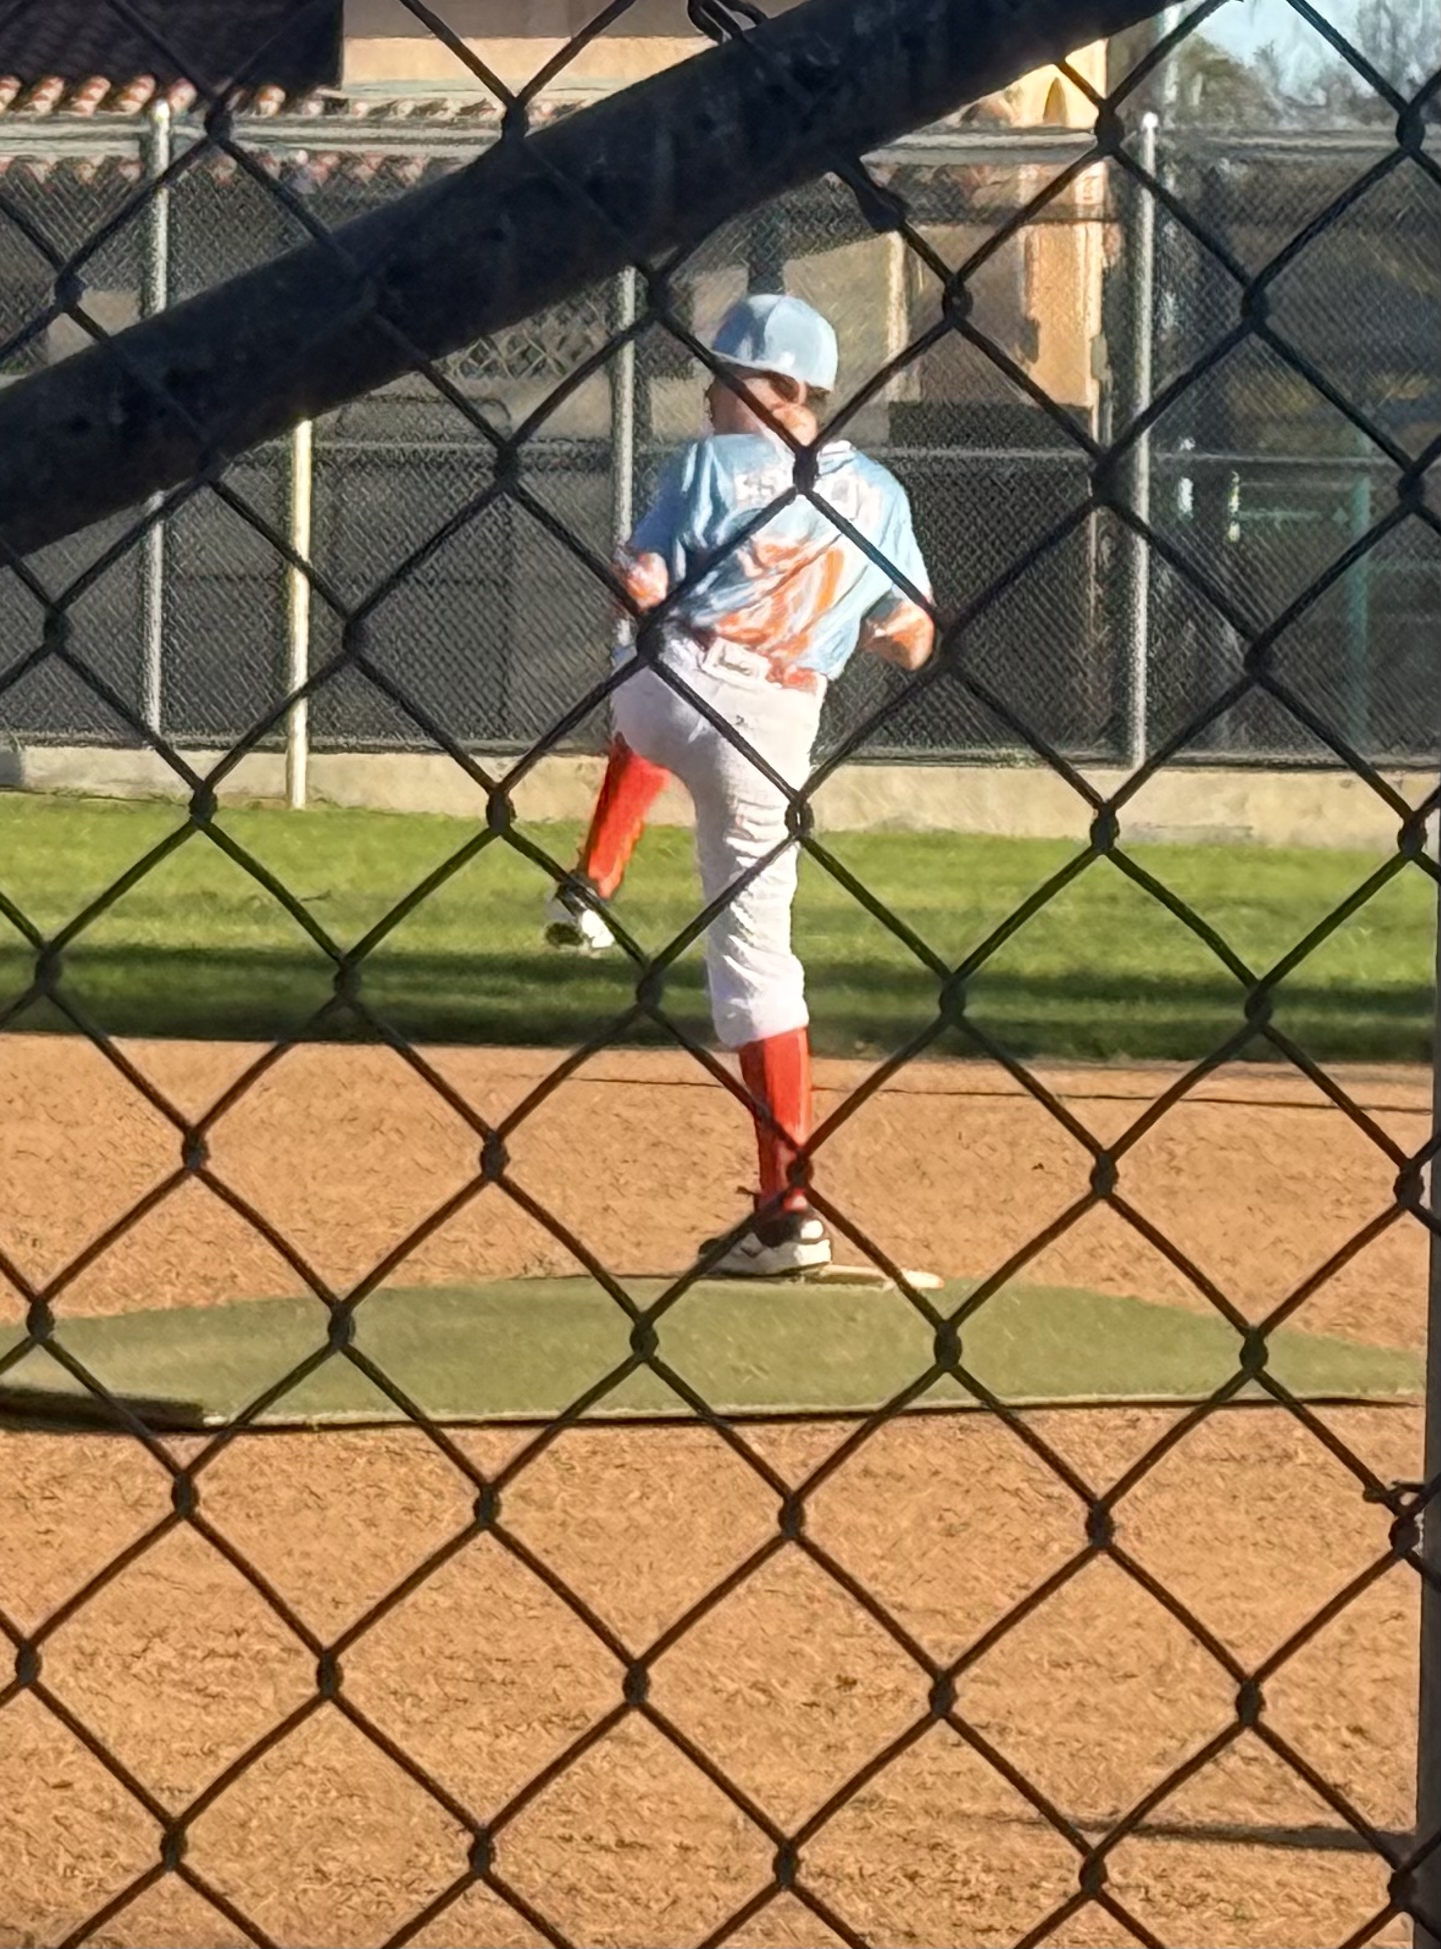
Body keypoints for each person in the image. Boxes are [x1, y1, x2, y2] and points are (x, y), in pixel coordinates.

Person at [545, 293, 934, 1275]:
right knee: (760, 964)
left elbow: (641, 580)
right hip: (778, 722)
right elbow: (914, 639)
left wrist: (639, 585)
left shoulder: (710, 465)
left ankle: (594, 876)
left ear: (782, 388)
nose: (710, 394)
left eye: (726, 378)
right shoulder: (880, 493)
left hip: (674, 681)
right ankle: (785, 1210)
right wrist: (868, 625)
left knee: (642, 679)